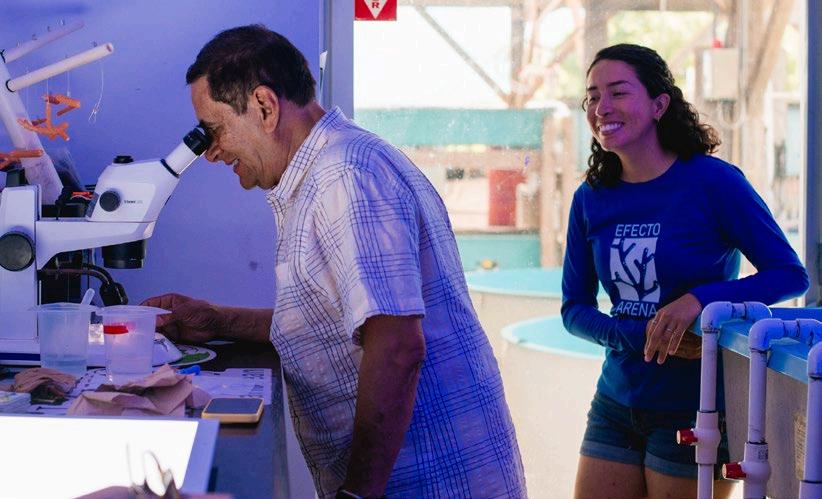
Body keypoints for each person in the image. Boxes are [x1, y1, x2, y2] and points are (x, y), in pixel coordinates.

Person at [143, 25, 526, 499]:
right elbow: (341, 322)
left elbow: (397, 346)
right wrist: (217, 320)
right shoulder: (328, 170)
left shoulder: (345, 177)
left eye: (213, 130)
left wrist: (357, 494)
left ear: (264, 106)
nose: (210, 152)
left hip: (429, 482)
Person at [561, 43, 809, 498]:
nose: (601, 107)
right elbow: (573, 309)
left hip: (699, 405)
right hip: (616, 401)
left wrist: (699, 301)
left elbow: (790, 274)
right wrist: (636, 335)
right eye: (593, 96)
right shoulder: (591, 197)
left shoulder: (713, 182)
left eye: (618, 92)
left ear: (659, 105)